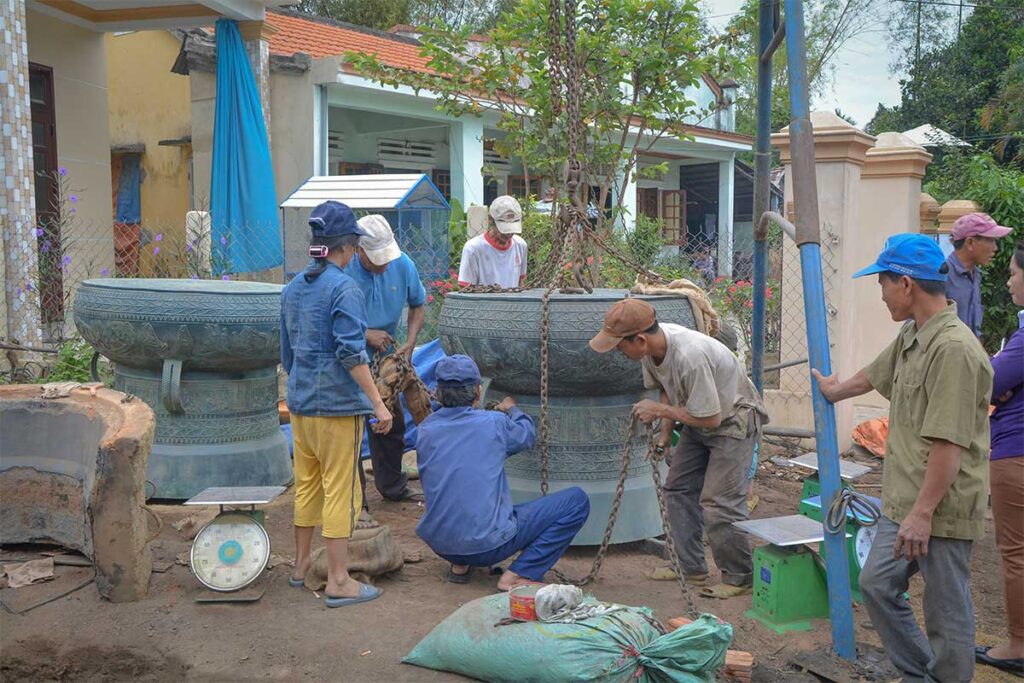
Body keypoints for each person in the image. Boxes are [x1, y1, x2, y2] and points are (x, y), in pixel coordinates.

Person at [813, 233, 992, 682]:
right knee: (877, 584)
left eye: (883, 284)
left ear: (907, 285)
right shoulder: (914, 334)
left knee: (946, 609)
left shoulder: (953, 349)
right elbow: (876, 374)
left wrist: (923, 514)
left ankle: (947, 678)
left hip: (940, 507)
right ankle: (919, 673)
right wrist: (834, 391)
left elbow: (949, 445)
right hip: (906, 500)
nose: (881, 294)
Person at [589, 298, 767, 599]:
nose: (620, 352)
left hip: (732, 420)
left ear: (641, 339)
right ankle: (690, 567)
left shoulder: (690, 356)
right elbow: (665, 388)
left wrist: (660, 412)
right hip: (699, 417)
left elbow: (710, 417)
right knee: (678, 489)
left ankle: (739, 576)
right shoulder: (652, 350)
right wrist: (664, 433)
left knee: (719, 503)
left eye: (621, 346)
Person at [280, 200, 393, 608]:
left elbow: (287, 352)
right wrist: (378, 404)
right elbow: (351, 353)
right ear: (347, 247)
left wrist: (300, 389)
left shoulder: (293, 287)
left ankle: (298, 568)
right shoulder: (345, 287)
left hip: (301, 405)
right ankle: (339, 580)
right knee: (341, 492)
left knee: (307, 485)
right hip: (336, 409)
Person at [415, 355, 590, 591]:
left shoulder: (426, 429)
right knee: (576, 501)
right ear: (478, 392)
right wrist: (512, 409)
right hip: (487, 546)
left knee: (459, 494)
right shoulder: (495, 423)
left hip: (440, 544)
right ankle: (519, 575)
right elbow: (526, 435)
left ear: (438, 393)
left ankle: (459, 565)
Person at [344, 214, 427, 510]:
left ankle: (392, 485)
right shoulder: (343, 271)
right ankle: (356, 500)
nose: (383, 264)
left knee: (391, 427)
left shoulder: (403, 264)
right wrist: (365, 334)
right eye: (375, 259)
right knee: (352, 429)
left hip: (387, 360)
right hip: (350, 359)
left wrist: (411, 342)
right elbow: (329, 319)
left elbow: (418, 304)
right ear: (359, 250)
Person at [976, 242, 1024, 677]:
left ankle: (1018, 645)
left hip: (1016, 448)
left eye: (1013, 272)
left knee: (1016, 552)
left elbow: (989, 381)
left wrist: (1000, 380)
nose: (1008, 280)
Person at [945, 212, 1012, 337]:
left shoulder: (975, 275)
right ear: (970, 242)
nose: (995, 248)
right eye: (991, 240)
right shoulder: (941, 276)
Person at [457, 195, 528, 288]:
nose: (509, 233)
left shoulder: (520, 245)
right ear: (490, 220)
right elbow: (466, 289)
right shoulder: (473, 249)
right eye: (504, 228)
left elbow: (521, 282)